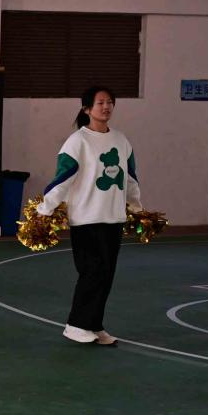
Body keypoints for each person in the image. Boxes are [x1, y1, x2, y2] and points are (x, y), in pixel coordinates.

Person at [37, 85, 142, 346]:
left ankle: (94, 325)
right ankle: (75, 325)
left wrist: (137, 208)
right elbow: (62, 179)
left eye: (110, 102)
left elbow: (130, 178)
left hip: (113, 219)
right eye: (100, 103)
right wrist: (45, 209)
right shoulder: (77, 142)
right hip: (86, 220)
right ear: (87, 109)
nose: (106, 107)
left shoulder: (121, 140)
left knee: (106, 275)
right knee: (92, 272)